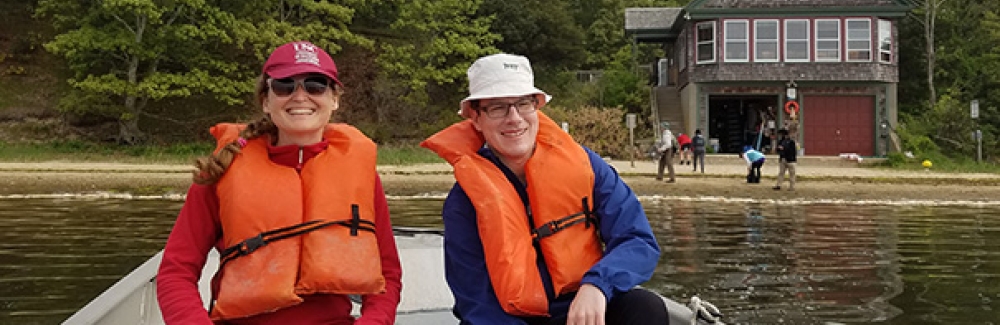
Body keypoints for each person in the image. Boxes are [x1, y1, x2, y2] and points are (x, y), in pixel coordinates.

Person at [156, 41, 402, 324]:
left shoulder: (362, 175)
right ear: (266, 101)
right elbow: (176, 272)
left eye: (315, 85)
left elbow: (388, 276)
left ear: (335, 99)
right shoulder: (222, 168)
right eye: (285, 86)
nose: (300, 96)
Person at [421, 53, 666, 325]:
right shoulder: (463, 202)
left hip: (580, 308)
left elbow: (638, 240)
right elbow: (476, 302)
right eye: (497, 108)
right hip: (508, 319)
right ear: (476, 119)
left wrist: (597, 285)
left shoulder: (587, 167)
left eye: (523, 104)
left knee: (645, 307)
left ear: (537, 108)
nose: (514, 118)